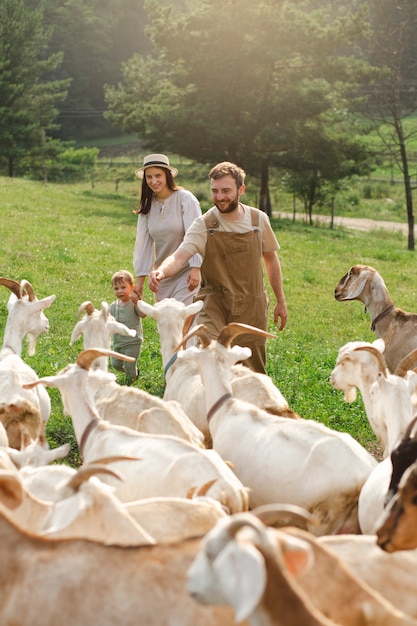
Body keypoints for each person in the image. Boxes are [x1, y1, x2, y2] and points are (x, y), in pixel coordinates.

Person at [148, 161, 288, 374]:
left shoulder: (258, 220)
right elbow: (179, 256)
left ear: (241, 189)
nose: (220, 197)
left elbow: (271, 260)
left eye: (226, 191)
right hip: (214, 302)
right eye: (215, 191)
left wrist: (281, 300)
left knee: (251, 370)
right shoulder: (204, 224)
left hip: (252, 304)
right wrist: (161, 271)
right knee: (207, 355)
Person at [131, 153, 202, 305]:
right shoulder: (147, 207)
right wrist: (140, 281)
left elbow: (196, 235)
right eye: (149, 177)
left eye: (158, 175)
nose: (153, 181)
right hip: (162, 275)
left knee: (182, 322)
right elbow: (143, 245)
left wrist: (196, 267)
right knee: (165, 323)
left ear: (167, 176)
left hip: (187, 272)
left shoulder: (185, 198)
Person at [109, 270, 145, 382]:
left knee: (129, 365)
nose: (120, 291)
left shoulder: (133, 303)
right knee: (115, 364)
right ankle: (133, 372)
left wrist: (138, 303)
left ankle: (132, 381)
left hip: (132, 342)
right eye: (116, 288)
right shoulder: (113, 306)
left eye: (123, 287)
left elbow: (143, 315)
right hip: (118, 342)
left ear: (132, 287)